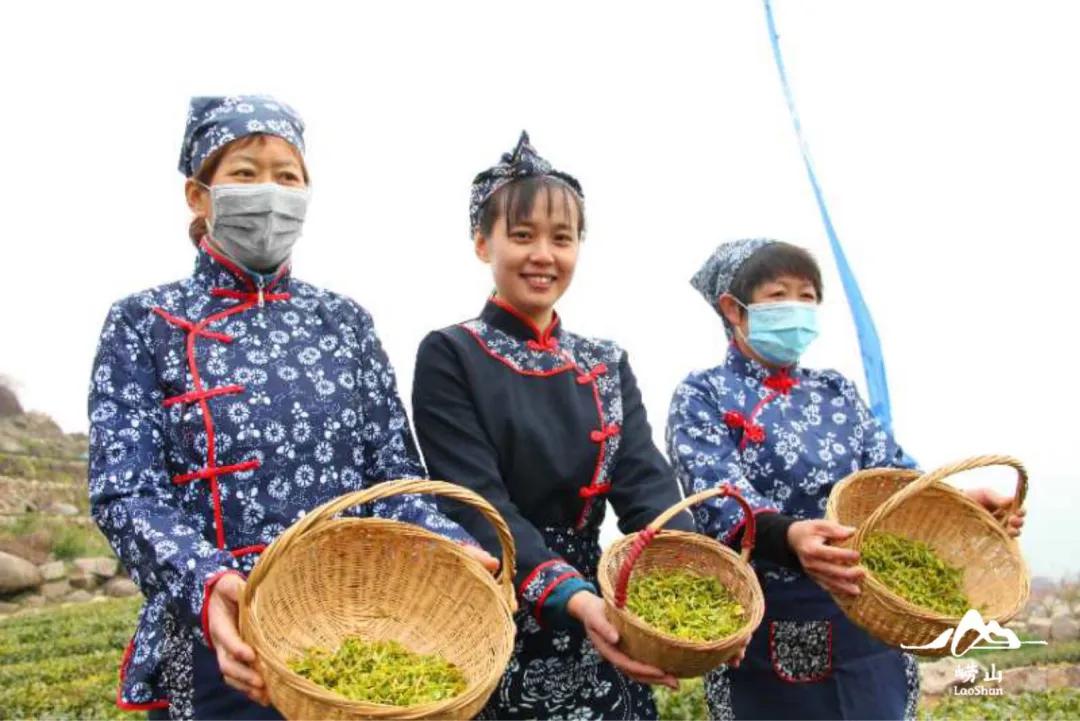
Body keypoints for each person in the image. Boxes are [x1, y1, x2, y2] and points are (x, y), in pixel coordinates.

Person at [87, 95, 492, 720]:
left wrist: (449, 542)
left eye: (287, 176)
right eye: (245, 174)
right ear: (199, 196)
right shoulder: (146, 323)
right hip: (221, 636)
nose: (269, 193)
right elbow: (126, 491)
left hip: (350, 619)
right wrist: (207, 580)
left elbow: (392, 479)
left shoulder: (344, 322)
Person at [411, 132, 743, 720]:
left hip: (607, 615)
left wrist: (697, 574)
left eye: (562, 238)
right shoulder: (450, 354)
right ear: (481, 243)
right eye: (522, 236)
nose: (544, 254)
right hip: (502, 601)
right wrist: (568, 594)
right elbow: (474, 502)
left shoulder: (605, 361)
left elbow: (646, 483)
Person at [666, 238, 1026, 720]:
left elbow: (891, 477)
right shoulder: (705, 393)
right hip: (769, 609)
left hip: (867, 608)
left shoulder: (834, 390)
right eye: (778, 295)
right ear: (733, 309)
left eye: (808, 295)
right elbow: (717, 494)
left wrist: (959, 502)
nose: (796, 307)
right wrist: (790, 536)